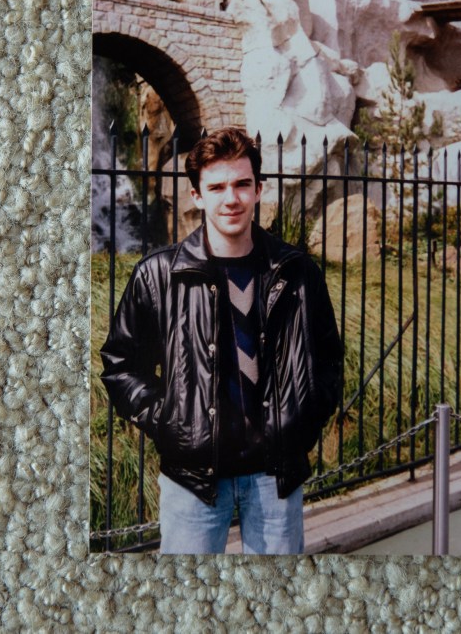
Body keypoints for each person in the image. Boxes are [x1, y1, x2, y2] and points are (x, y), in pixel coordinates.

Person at [100, 127, 342, 554]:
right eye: (216, 187)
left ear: (259, 190)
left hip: (276, 477)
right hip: (192, 478)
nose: (230, 198)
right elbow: (121, 365)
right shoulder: (158, 276)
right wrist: (169, 422)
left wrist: (303, 417)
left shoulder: (297, 272)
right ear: (197, 196)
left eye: (241, 184)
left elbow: (328, 358)